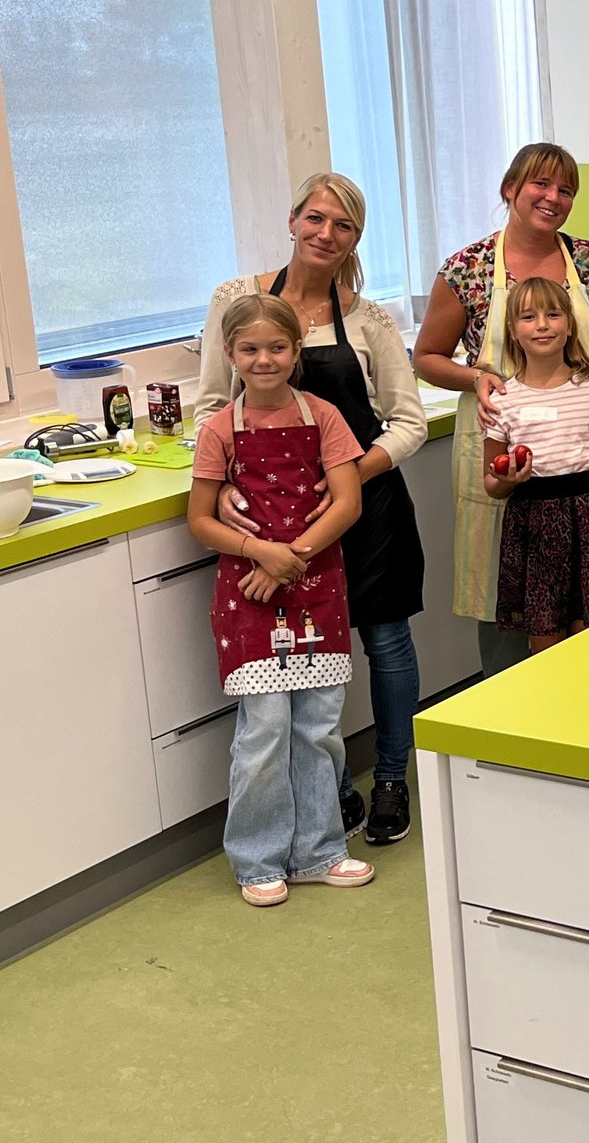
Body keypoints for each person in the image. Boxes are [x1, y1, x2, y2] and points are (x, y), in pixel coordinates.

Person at [193, 172, 426, 846]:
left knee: (384, 641)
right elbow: (212, 405)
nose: (327, 233)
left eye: (344, 225)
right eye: (316, 218)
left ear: (356, 238)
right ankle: (328, 792)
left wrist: (350, 472)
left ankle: (388, 777)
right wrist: (226, 484)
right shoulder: (236, 300)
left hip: (367, 505)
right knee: (298, 657)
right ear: (293, 219)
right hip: (267, 516)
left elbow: (407, 423)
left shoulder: (370, 318)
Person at [413, 143, 589, 674]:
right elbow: (426, 358)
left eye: (566, 190)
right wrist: (480, 378)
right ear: (510, 189)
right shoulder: (467, 268)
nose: (553, 198)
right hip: (502, 445)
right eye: (541, 184)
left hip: (581, 468)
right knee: (506, 593)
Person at [186, 294, 373, 906]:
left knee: (319, 727)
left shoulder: (323, 417)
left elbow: (347, 503)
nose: (264, 359)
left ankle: (321, 851)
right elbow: (200, 521)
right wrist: (258, 552)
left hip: (318, 589)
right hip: (249, 595)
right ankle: (257, 858)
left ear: (296, 352)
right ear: (230, 355)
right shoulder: (219, 429)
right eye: (249, 349)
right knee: (263, 730)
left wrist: (286, 557)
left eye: (277, 347)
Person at [481, 278, 589, 653]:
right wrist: (508, 480)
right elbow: (490, 480)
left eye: (553, 314)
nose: (542, 325)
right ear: (513, 332)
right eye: (529, 317)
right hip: (533, 521)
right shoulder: (501, 400)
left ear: (569, 326)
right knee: (545, 637)